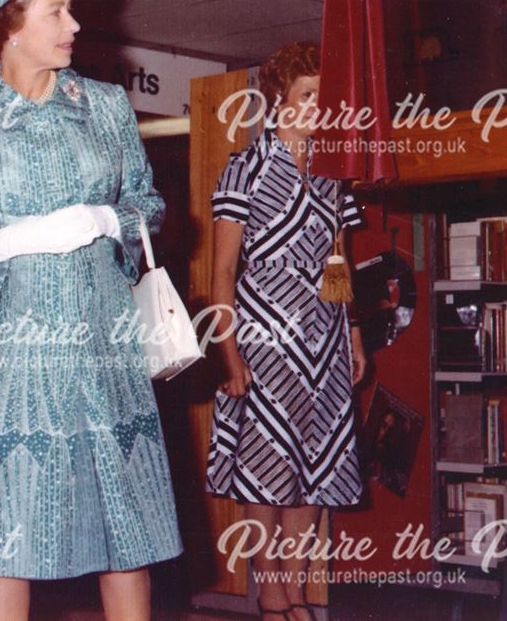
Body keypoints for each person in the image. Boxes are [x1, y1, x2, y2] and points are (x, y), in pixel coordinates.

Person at [0, 0, 182, 621]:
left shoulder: (107, 106)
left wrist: (106, 220)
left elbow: (147, 204)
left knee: (128, 533)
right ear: (8, 23)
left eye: (71, 7)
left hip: (105, 339)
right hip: (17, 350)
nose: (75, 23)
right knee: (11, 534)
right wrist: (11, 240)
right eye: (56, 11)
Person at [205, 41, 366, 621]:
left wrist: (352, 334)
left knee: (314, 468)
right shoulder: (242, 169)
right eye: (307, 97)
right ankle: (270, 592)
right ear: (279, 100)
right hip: (262, 337)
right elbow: (222, 271)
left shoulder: (330, 174)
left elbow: (338, 261)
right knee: (266, 469)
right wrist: (229, 355)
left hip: (321, 339)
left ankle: (295, 588)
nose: (318, 110)